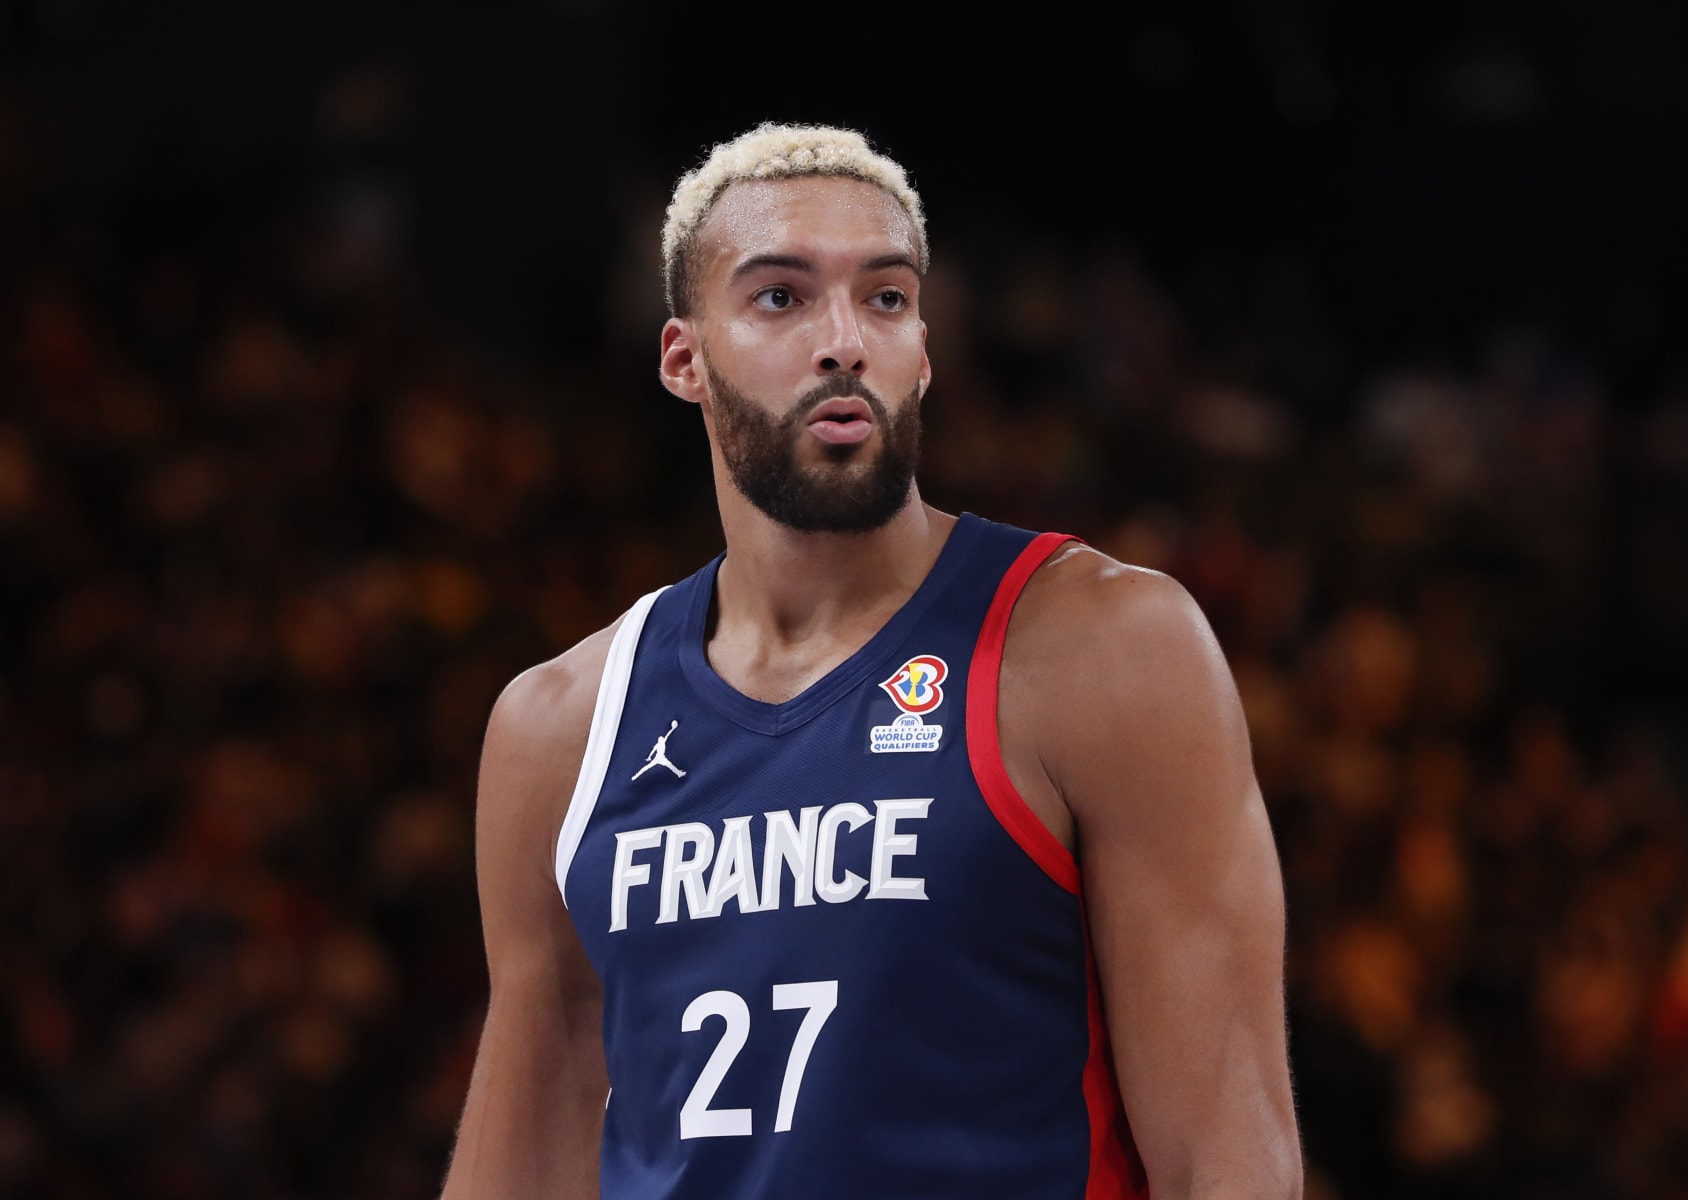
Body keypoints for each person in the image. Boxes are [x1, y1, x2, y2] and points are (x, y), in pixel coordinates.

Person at [439, 123, 1302, 1200]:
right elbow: (523, 1156)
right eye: (780, 298)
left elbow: (1227, 1151)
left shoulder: (1103, 648)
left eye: (885, 297)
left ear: (925, 353)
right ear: (683, 359)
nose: (843, 339)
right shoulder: (562, 725)